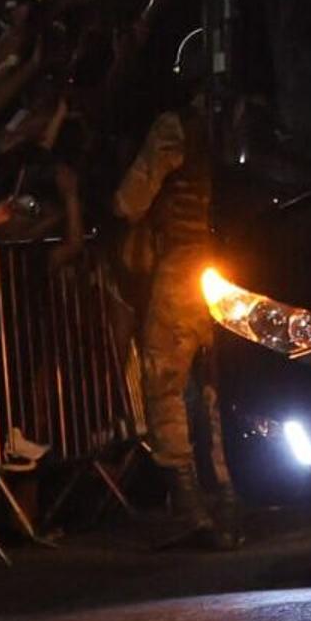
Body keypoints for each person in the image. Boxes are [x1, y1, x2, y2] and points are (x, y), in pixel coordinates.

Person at [113, 90, 237, 549]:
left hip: (183, 268)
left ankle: (190, 508)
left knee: (163, 382)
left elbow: (130, 201)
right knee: (220, 389)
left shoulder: (177, 126)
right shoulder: (249, 117)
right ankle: (230, 497)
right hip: (236, 264)